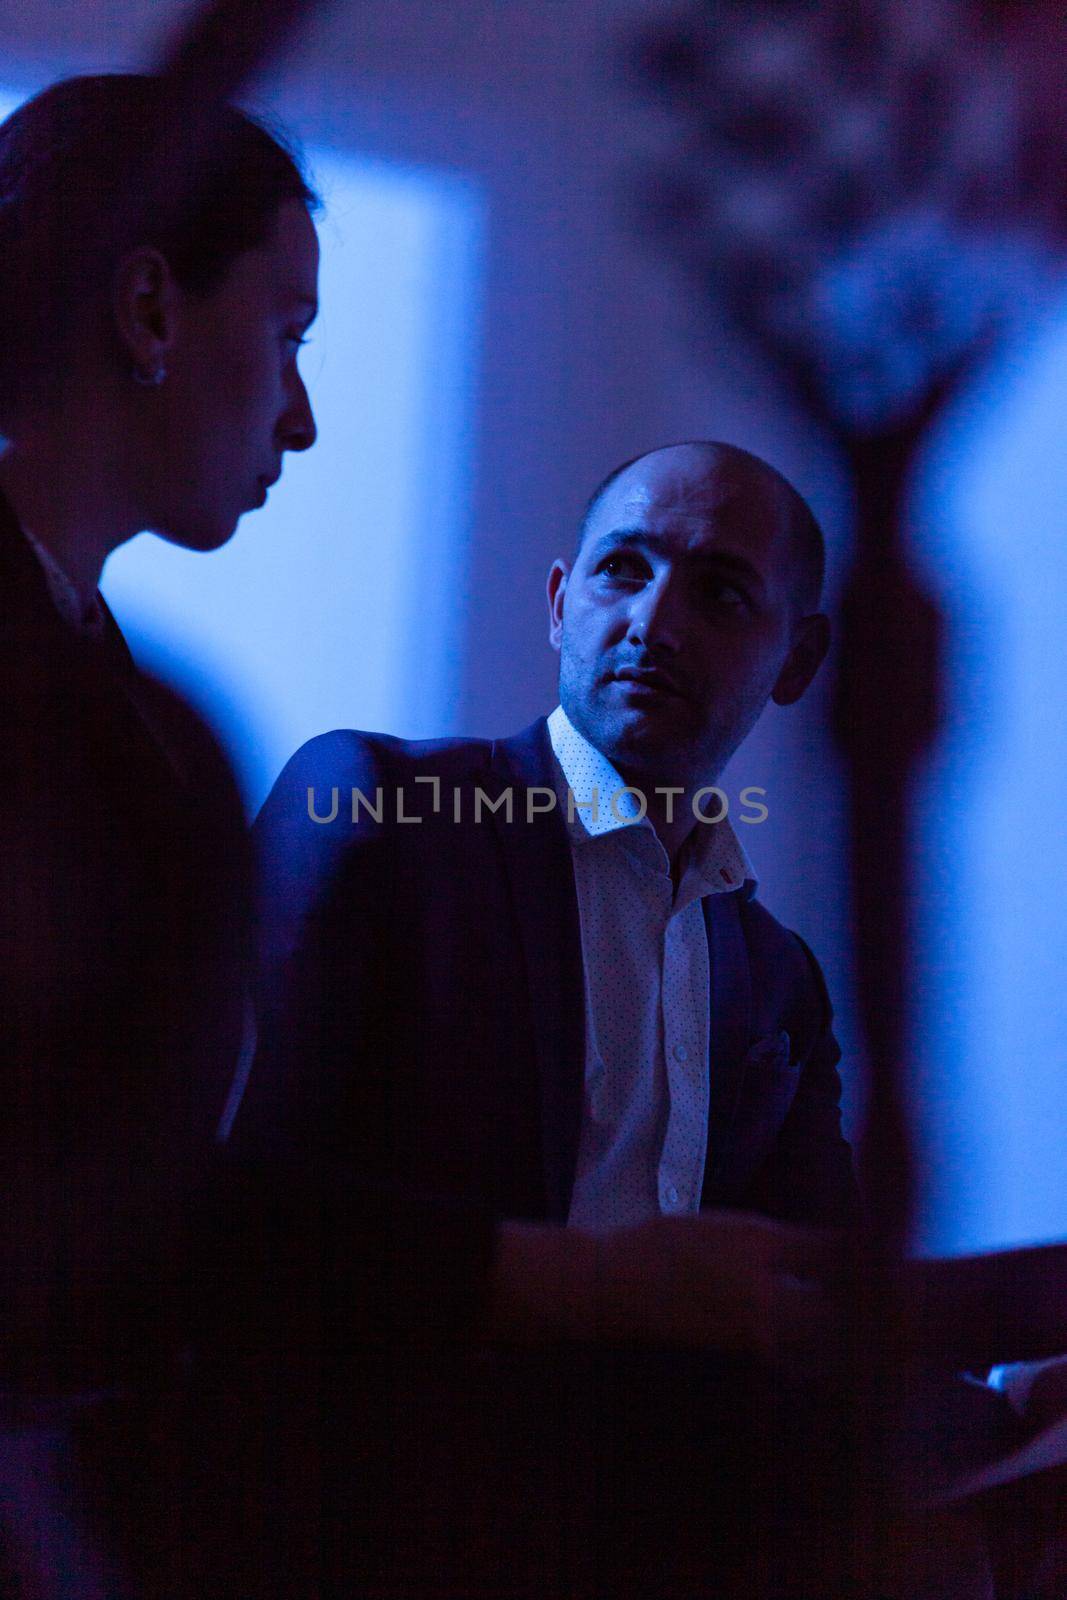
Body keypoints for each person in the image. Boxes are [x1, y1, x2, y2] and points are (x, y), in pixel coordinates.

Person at [243, 440, 861, 1596]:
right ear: (557, 600)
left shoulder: (778, 982)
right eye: (621, 569)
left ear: (800, 657)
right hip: (368, 1526)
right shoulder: (379, 815)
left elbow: (822, 1304)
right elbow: (224, 1207)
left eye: (719, 591)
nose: (651, 619)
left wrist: (997, 1390)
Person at [0, 72, 319, 1594]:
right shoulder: (63, 730)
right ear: (147, 306)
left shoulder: (93, 684)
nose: (301, 417)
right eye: (290, 335)